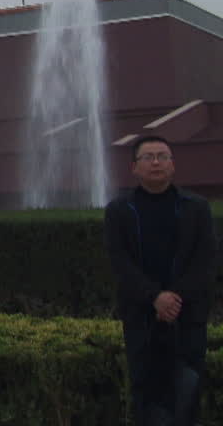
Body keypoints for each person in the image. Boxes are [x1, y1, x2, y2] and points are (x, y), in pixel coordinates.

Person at [105, 135, 215, 425]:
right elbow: (120, 263)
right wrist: (154, 297)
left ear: (172, 165)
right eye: (148, 157)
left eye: (162, 156)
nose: (156, 163)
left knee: (187, 395)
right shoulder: (119, 211)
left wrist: (173, 299)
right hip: (142, 320)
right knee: (147, 399)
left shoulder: (196, 208)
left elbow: (205, 262)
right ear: (134, 167)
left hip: (187, 319)